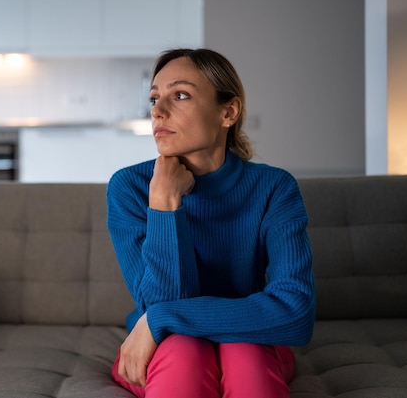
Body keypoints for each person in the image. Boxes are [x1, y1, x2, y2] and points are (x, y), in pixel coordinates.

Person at [106, 48, 315, 398]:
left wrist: (161, 318)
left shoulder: (274, 187)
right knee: (185, 355)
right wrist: (164, 204)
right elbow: (157, 302)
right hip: (166, 347)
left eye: (181, 95)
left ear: (228, 112)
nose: (157, 110)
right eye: (155, 97)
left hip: (249, 338)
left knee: (245, 356)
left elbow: (295, 312)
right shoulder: (130, 187)